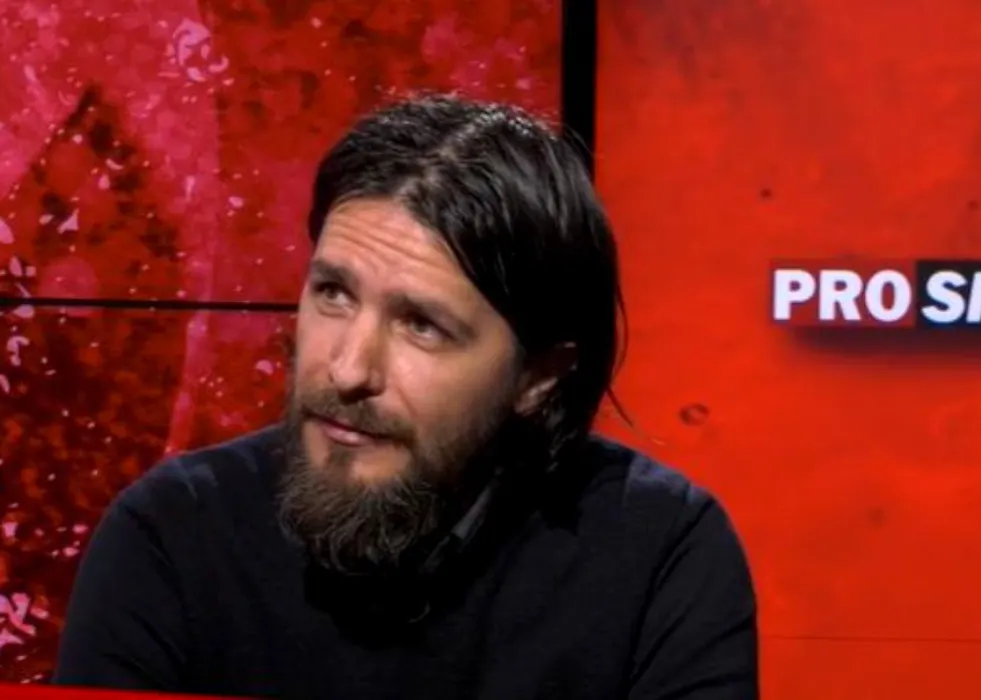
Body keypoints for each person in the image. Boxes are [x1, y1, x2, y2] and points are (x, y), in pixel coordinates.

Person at [52, 95, 759, 699]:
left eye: (422, 325)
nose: (347, 369)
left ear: (539, 377)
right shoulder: (172, 537)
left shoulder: (661, 557)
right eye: (333, 293)